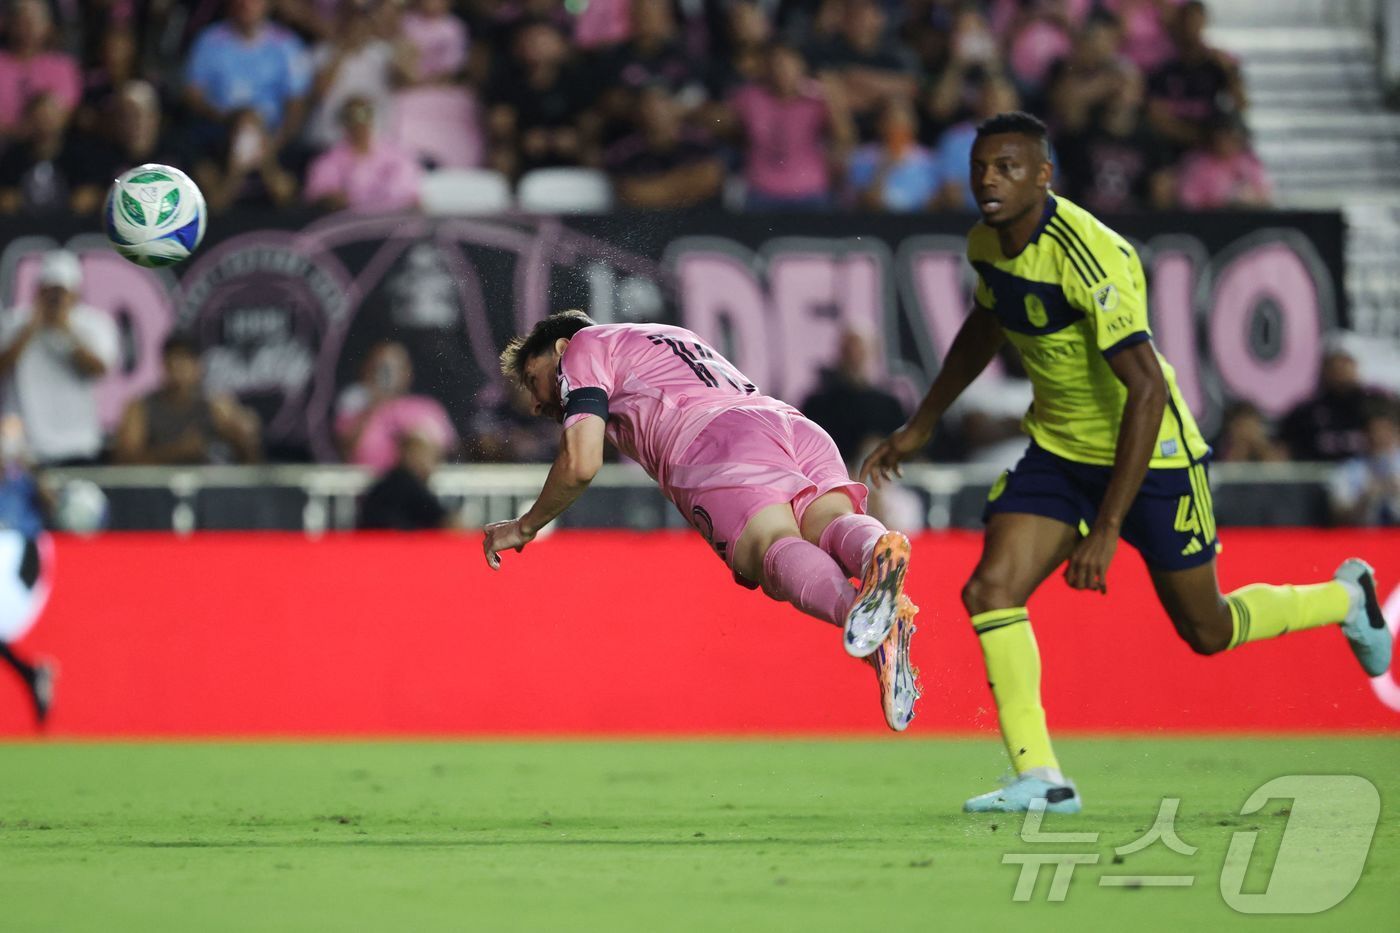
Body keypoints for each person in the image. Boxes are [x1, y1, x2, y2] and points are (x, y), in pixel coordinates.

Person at [860, 111, 1391, 812]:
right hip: (1058, 448)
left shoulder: (1092, 256)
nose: (990, 179)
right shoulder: (985, 243)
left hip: (1154, 455)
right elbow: (986, 322)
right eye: (981, 166)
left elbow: (1144, 390)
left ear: (1044, 176)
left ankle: (1346, 600)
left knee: (1208, 629)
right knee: (990, 589)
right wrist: (921, 422)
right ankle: (1040, 776)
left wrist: (1107, 527)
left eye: (1009, 167)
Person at [483, 310, 920, 732]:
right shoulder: (667, 335)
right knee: (827, 522)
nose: (538, 403)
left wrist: (525, 526)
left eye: (533, 379)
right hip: (789, 425)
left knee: (770, 548)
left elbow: (580, 462)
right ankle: (874, 554)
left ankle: (869, 624)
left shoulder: (583, 347)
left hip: (715, 443)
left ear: (560, 347)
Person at [0, 250, 119, 466]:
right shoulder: (15, 323)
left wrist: (65, 331)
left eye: (61, 291)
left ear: (76, 293)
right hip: (26, 447)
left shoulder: (95, 324)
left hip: (79, 443)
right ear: (38, 291)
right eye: (50, 291)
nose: (55, 298)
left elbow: (98, 370)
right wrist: (31, 328)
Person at [113, 334, 262, 465]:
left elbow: (250, 463)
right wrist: (177, 451)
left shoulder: (217, 405)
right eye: (172, 364)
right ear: (163, 366)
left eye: (184, 364)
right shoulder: (141, 407)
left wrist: (242, 437)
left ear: (198, 366)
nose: (178, 373)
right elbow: (125, 462)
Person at [0, 415, 55, 726]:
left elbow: (52, 505)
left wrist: (29, 468)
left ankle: (31, 674)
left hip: (17, 558)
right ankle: (31, 674)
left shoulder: (23, 478)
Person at [335, 340, 457, 470]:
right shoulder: (354, 406)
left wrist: (416, 445)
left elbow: (448, 452)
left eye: (394, 366)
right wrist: (375, 403)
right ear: (366, 369)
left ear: (407, 371)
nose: (386, 375)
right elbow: (345, 451)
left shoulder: (427, 408)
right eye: (379, 367)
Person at [605, 86, 724, 210]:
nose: (655, 111)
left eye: (661, 103)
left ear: (675, 107)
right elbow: (631, 194)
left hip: (705, 220)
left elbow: (710, 179)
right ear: (637, 112)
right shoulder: (624, 150)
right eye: (648, 106)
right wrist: (687, 182)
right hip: (647, 223)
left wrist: (657, 188)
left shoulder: (700, 140)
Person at [800, 329, 907, 465]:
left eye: (860, 351)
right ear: (840, 353)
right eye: (849, 351)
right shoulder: (817, 405)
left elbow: (906, 449)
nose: (854, 357)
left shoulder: (890, 405)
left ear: (872, 354)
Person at [304, 96, 422, 211]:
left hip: (392, 224)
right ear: (342, 122)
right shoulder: (327, 162)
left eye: (366, 113)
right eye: (352, 116)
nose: (360, 123)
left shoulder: (398, 155)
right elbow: (321, 197)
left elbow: (411, 198)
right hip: (351, 226)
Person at [1280, 343, 1394, 462]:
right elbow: (1285, 448)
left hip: (1375, 475)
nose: (1341, 371)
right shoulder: (1306, 411)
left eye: (1345, 363)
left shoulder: (1378, 403)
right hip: (1319, 476)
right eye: (1335, 366)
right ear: (1324, 370)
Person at [0, 0, 81, 140]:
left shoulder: (63, 67)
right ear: (9, 23)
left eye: (35, 20)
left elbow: (64, 115)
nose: (28, 27)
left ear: (48, 26)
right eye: (22, 20)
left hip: (48, 147)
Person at [846, 96, 941, 212]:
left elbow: (936, 201)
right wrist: (884, 168)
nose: (898, 129)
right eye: (892, 123)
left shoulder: (928, 160)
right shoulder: (863, 157)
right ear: (880, 124)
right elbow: (864, 201)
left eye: (903, 124)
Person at [359, 429, 460, 530]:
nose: (431, 465)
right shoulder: (407, 483)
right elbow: (450, 523)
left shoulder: (388, 483)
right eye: (428, 456)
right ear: (410, 454)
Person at [1174, 113, 1272, 209]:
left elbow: (1265, 195)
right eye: (1223, 138)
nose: (1227, 144)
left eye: (1233, 139)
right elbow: (1188, 202)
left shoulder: (1248, 161)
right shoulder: (1197, 164)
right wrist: (1220, 204)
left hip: (1247, 219)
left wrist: (1249, 199)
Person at [1328, 399, 1400, 527]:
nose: (1379, 438)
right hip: (1364, 538)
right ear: (1364, 435)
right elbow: (1339, 517)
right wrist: (1365, 498)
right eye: (1374, 432)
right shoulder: (1348, 470)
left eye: (1385, 431)